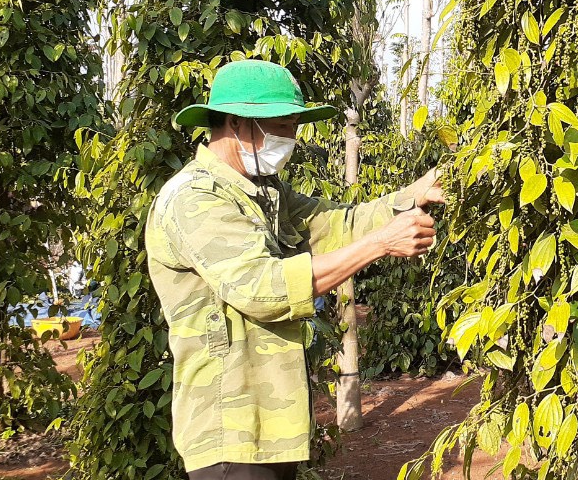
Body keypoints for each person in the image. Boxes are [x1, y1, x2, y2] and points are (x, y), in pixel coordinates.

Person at [145, 59, 443, 480]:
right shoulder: (196, 199)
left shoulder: (264, 193)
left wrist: (416, 194)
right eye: (283, 126)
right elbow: (261, 290)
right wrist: (380, 244)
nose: (292, 138)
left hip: (270, 426)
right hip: (232, 428)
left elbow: (339, 224)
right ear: (238, 123)